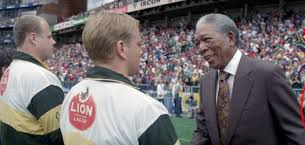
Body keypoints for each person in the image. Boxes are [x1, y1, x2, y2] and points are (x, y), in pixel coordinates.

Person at [59, 12, 180, 145]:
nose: (141, 51)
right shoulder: (147, 110)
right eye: (139, 44)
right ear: (121, 48)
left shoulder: (71, 94)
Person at [191, 13, 305, 145]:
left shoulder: (267, 75)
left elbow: (296, 135)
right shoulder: (206, 82)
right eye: (197, 43)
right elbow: (203, 131)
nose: (201, 48)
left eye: (207, 40)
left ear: (230, 38)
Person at [0, 15, 64, 145]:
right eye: (49, 37)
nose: (53, 42)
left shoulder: (10, 70)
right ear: (33, 38)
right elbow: (60, 136)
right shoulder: (41, 78)